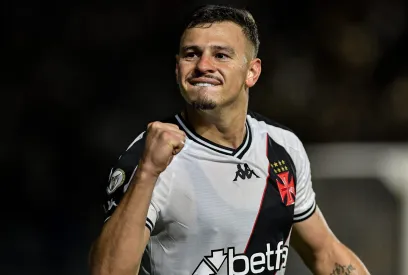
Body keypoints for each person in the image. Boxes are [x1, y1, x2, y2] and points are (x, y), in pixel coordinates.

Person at [89, 4, 370, 275]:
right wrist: (148, 171)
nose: (203, 65)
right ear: (177, 69)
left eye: (220, 55)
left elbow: (325, 254)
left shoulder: (282, 147)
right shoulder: (152, 155)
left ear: (252, 72)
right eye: (191, 54)